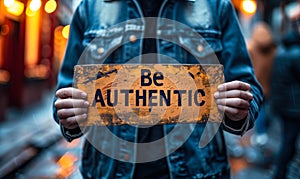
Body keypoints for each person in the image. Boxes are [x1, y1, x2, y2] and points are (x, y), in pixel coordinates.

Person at [53, 0, 263, 178]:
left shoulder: (216, 6)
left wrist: (239, 109)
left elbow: (248, 88)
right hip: (108, 170)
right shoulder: (91, 8)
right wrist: (70, 115)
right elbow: (65, 95)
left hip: (198, 170)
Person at [271, 1, 300, 178]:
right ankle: (279, 173)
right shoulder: (295, 54)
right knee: (288, 144)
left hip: (285, 106)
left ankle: (279, 172)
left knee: (287, 143)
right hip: (294, 108)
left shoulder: (283, 50)